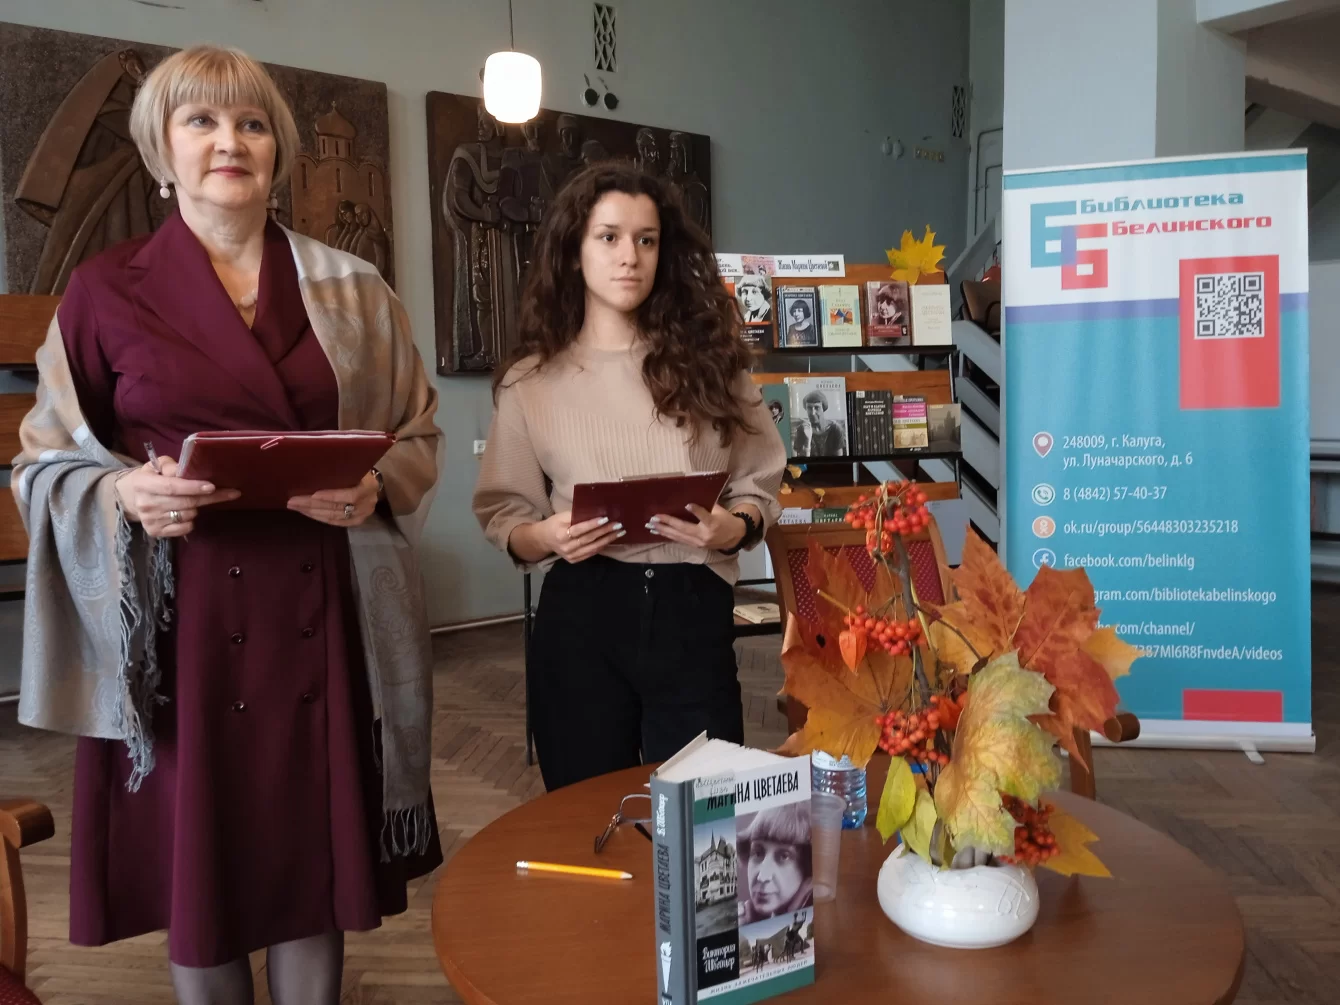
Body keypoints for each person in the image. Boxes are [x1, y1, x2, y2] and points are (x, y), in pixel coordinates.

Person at [12, 45, 443, 1005]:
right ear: (161, 149)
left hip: (321, 615)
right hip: (180, 629)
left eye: (251, 123)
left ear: (277, 149)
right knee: (199, 861)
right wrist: (123, 494)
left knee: (309, 854)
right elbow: (44, 461)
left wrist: (375, 486)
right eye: (201, 121)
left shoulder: (353, 286)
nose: (229, 142)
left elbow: (417, 432)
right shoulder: (103, 290)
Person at [472, 162, 786, 792]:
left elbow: (758, 484)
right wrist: (547, 537)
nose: (629, 257)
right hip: (581, 612)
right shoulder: (529, 381)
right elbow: (506, 516)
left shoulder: (714, 364)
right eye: (609, 237)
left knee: (704, 812)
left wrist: (732, 528)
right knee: (585, 809)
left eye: (647, 239)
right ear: (574, 249)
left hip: (691, 609)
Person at [737, 805, 813, 925]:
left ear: (807, 867)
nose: (762, 877)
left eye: (784, 856)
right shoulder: (747, 918)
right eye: (758, 853)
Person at [792, 390, 846, 457]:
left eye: (817, 407)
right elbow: (797, 458)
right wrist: (807, 440)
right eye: (809, 408)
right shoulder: (802, 429)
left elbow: (839, 460)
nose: (813, 413)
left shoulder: (835, 429)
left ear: (823, 408)